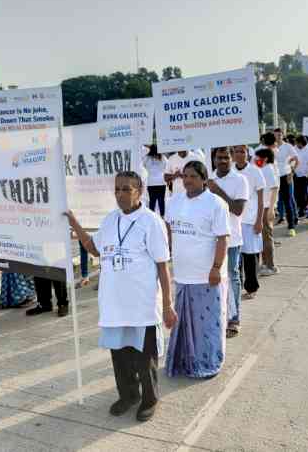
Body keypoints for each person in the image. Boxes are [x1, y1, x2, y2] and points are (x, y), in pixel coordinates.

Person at [66, 171, 175, 422]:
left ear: (140, 191)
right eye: (117, 189)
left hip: (142, 304)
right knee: (120, 354)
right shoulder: (109, 220)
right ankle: (128, 395)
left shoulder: (151, 221)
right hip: (114, 303)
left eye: (126, 189)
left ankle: (149, 399)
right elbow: (94, 248)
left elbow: (162, 266)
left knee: (144, 356)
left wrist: (168, 304)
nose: (120, 194)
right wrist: (74, 223)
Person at [165, 161, 230, 379]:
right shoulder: (173, 202)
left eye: (192, 176)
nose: (187, 180)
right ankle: (184, 362)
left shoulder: (216, 203)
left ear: (204, 179)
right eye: (185, 176)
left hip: (206, 276)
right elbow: (168, 231)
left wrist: (216, 268)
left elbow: (223, 238)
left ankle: (208, 363)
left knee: (207, 325)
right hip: (182, 274)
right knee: (183, 324)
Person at [208, 147, 248, 338]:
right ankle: (218, 316)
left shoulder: (240, 180)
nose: (222, 161)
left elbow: (238, 209)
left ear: (231, 159)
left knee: (232, 277)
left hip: (231, 239)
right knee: (212, 279)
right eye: (219, 157)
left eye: (226, 157)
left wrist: (218, 191)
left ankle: (234, 318)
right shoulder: (207, 179)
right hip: (209, 240)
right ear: (214, 159)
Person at [232, 145, 265, 300]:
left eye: (242, 152)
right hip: (233, 220)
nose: (239, 154)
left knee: (250, 256)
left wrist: (259, 220)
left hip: (250, 220)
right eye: (237, 151)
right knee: (235, 256)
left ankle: (252, 287)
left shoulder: (255, 171)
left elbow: (260, 198)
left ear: (247, 154)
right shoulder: (229, 171)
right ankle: (236, 286)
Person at [256, 148, 279, 276]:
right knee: (262, 238)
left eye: (257, 157)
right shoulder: (263, 169)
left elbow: (274, 189)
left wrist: (271, 208)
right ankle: (265, 263)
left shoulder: (268, 169)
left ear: (264, 158)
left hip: (266, 207)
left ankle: (271, 266)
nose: (255, 160)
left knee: (267, 237)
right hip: (262, 206)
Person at [273, 129, 297, 235]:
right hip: (273, 178)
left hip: (285, 176)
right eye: (275, 135)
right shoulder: (270, 147)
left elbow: (297, 160)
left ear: (283, 135)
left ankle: (291, 227)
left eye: (279, 135)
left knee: (288, 201)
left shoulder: (288, 146)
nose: (277, 137)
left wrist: (291, 173)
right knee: (273, 203)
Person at [293, 135, 308, 218]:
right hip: (295, 174)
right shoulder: (294, 149)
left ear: (301, 143)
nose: (295, 144)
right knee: (297, 193)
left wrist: (307, 175)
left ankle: (304, 209)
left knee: (304, 193)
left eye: (297, 142)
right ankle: (300, 208)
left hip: (305, 176)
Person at [143, 145, 168, 217]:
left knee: (152, 201)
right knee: (161, 201)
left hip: (151, 182)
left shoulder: (147, 158)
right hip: (161, 181)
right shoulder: (162, 157)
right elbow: (166, 166)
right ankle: (162, 216)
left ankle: (152, 216)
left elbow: (143, 165)